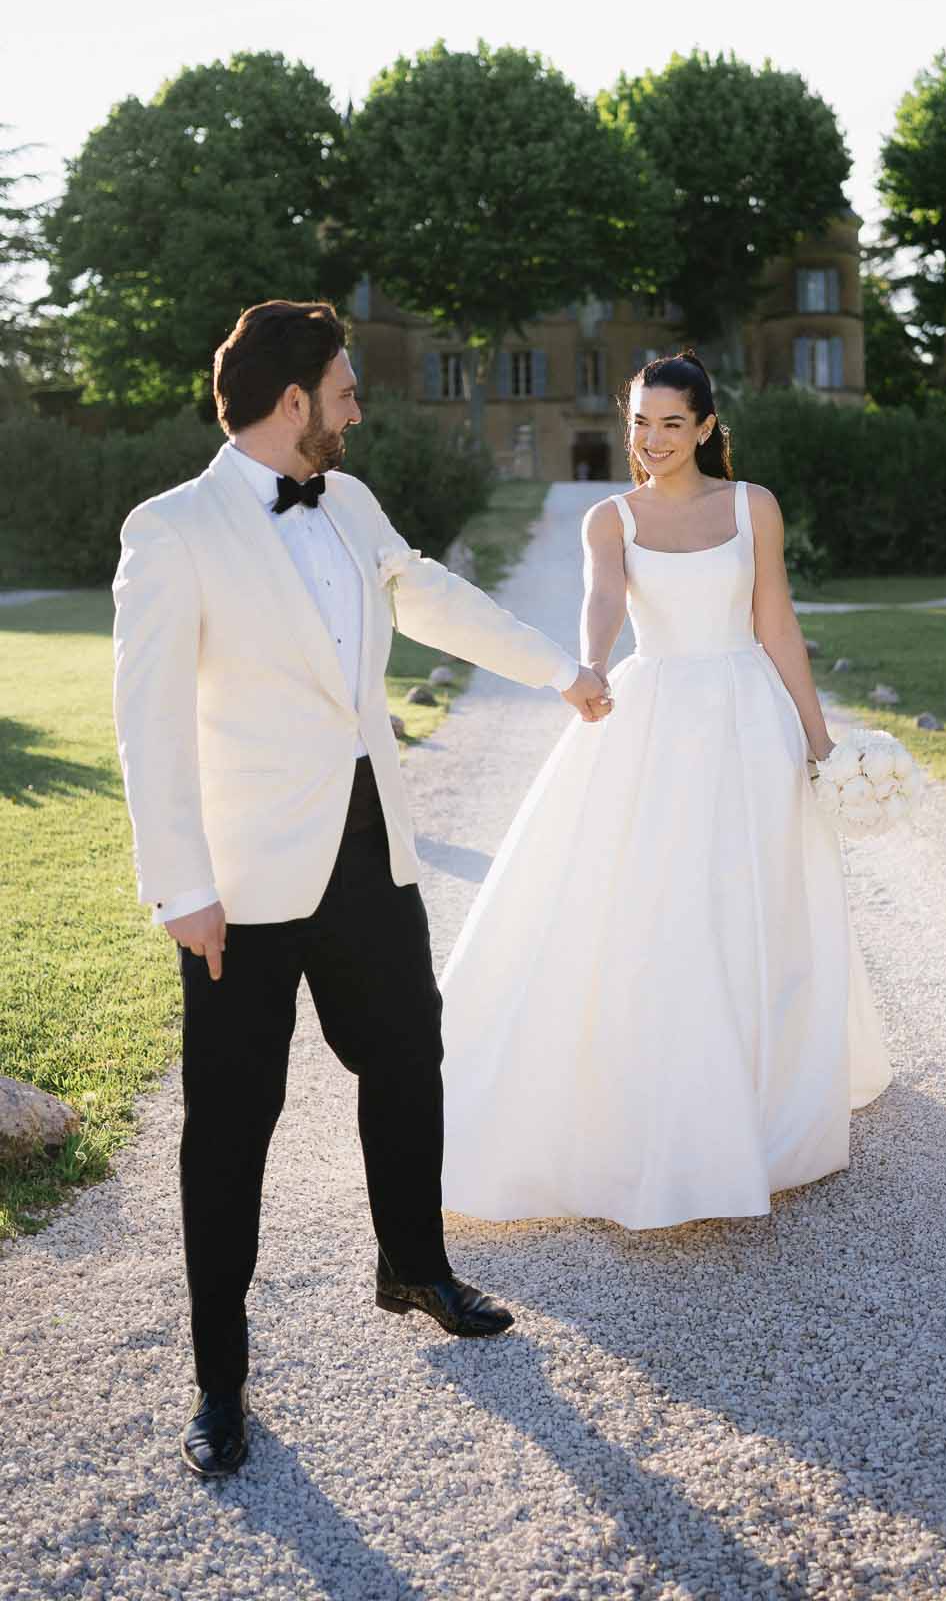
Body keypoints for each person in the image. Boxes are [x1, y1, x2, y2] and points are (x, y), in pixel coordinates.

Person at [111, 300, 611, 1480]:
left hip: (368, 849)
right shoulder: (170, 529)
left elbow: (427, 592)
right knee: (232, 1125)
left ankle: (414, 1264)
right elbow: (148, 725)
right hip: (238, 883)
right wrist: (179, 885)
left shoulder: (350, 499)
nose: (357, 405)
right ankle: (220, 1381)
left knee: (409, 1051)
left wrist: (559, 670)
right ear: (292, 403)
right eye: (343, 389)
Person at [438, 351, 891, 1230]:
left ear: (707, 428)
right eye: (641, 422)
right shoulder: (610, 517)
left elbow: (776, 620)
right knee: (660, 900)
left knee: (749, 895)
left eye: (672, 424)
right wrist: (592, 666)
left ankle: (757, 1091)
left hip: (747, 715)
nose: (651, 441)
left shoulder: (751, 506)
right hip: (655, 716)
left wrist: (816, 732)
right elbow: (602, 600)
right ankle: (670, 1097)